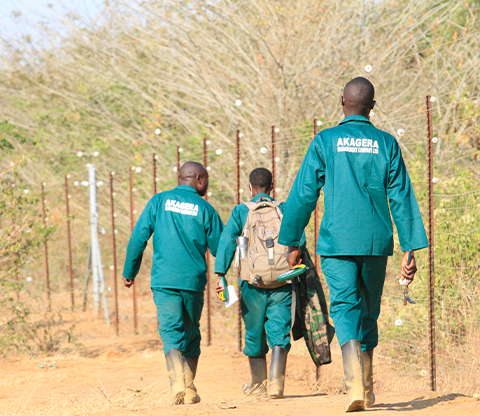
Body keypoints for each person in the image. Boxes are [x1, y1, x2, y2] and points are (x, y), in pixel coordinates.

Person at [278, 77, 428, 412]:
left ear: (342, 102)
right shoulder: (386, 143)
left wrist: (290, 241)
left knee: (345, 307)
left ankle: (355, 387)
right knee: (369, 312)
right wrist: (409, 248)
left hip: (337, 241)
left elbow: (304, 194)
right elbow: (401, 197)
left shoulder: (325, 140)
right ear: (372, 107)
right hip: (376, 242)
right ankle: (369, 385)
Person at [123, 161, 224, 405]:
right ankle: (188, 389)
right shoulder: (205, 209)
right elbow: (220, 248)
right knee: (191, 334)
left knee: (171, 332)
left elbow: (139, 237)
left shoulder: (158, 201)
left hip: (164, 280)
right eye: (206, 180)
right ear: (198, 179)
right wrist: (223, 275)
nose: (207, 185)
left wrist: (130, 270)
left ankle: (178, 384)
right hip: (193, 282)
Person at [214, 167, 305, 399]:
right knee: (280, 331)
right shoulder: (284, 209)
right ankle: (277, 384)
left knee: (254, 333)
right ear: (272, 187)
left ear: (250, 188)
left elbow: (226, 242)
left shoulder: (240, 211)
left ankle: (258, 385)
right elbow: (300, 240)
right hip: (283, 283)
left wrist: (220, 274)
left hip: (252, 286)